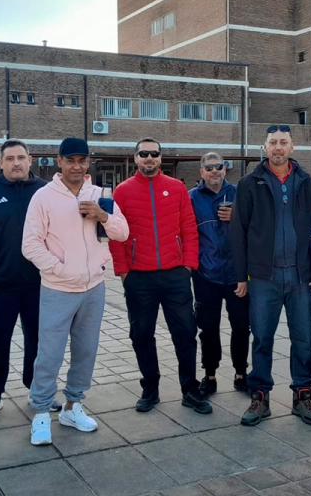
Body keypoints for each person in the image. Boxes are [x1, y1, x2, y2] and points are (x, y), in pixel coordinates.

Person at [22, 138, 129, 445]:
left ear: (88, 162)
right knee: (50, 353)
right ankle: (41, 412)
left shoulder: (100, 195)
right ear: (59, 161)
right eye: (70, 160)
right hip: (58, 288)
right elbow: (30, 244)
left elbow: (122, 232)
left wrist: (102, 215)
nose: (76, 166)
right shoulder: (44, 197)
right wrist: (59, 269)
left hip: (93, 287)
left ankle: (73, 406)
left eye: (82, 160)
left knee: (86, 351)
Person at [108, 138, 212, 415]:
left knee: (185, 333)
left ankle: (190, 389)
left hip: (175, 275)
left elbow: (189, 228)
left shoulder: (177, 188)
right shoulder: (123, 191)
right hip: (139, 278)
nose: (149, 158)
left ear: (161, 158)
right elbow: (116, 235)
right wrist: (123, 271)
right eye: (144, 154)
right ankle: (150, 388)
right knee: (141, 334)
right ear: (136, 157)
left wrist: (188, 264)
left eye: (154, 154)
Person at [229, 125, 311, 427]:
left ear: (292, 147)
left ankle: (302, 395)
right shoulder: (249, 183)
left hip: (300, 277)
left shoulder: (307, 183)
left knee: (303, 340)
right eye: (273, 143)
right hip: (263, 278)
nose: (278, 147)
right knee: (262, 339)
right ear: (265, 147)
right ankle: (260, 397)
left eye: (283, 142)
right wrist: (242, 275)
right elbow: (238, 232)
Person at [0, 139, 56, 421]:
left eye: (21, 157)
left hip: (40, 282)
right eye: (10, 158)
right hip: (0, 283)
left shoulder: (47, 191)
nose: (16, 163)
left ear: (31, 160)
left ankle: (39, 391)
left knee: (40, 341)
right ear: (0, 162)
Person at [189, 152, 249, 395]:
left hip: (237, 275)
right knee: (208, 328)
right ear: (201, 172)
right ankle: (209, 375)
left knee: (242, 327)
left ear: (225, 169)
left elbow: (257, 227)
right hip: (206, 275)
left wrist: (238, 217)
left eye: (219, 167)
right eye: (209, 167)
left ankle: (241, 374)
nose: (215, 171)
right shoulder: (191, 197)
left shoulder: (240, 195)